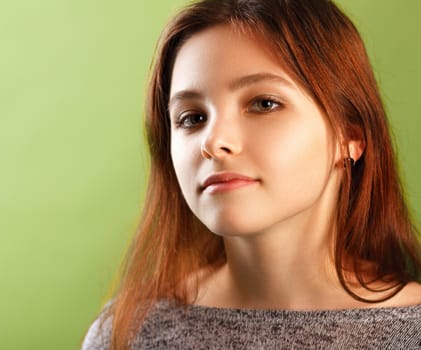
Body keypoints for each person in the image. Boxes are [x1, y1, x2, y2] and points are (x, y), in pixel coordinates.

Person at [82, 0, 421, 348]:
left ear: (349, 137)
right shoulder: (126, 334)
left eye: (264, 104)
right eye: (192, 118)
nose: (213, 142)